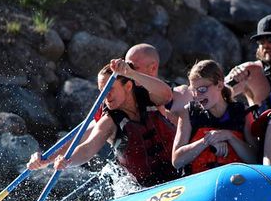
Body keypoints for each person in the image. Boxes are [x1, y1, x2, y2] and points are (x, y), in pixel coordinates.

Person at [28, 59, 179, 187]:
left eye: (110, 89)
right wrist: (67, 161)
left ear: (128, 86)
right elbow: (87, 148)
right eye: (102, 91)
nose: (105, 96)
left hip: (180, 172)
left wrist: (131, 73)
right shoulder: (109, 121)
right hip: (144, 187)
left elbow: (167, 94)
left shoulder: (149, 98)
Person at [172, 59, 258, 174]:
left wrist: (229, 136)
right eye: (193, 90)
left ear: (220, 85)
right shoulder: (188, 113)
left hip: (234, 181)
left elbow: (255, 159)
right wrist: (206, 141)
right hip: (199, 182)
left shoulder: (243, 112)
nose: (196, 96)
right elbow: (177, 161)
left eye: (202, 89)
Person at [124, 43, 193, 124]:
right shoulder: (125, 92)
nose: (127, 71)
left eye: (134, 67)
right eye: (127, 67)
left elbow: (187, 125)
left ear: (153, 68)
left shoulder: (178, 93)